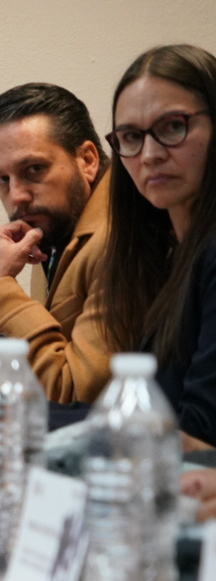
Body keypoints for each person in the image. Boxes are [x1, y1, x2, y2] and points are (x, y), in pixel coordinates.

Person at [95, 44, 216, 447]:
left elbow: (200, 433)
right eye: (131, 137)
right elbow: (144, 412)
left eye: (172, 127)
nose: (149, 155)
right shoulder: (165, 252)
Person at [0, 83, 115, 402]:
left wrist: (0, 286)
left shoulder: (118, 240)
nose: (17, 195)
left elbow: (71, 396)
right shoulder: (54, 228)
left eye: (34, 169)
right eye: (2, 179)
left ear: (88, 160)